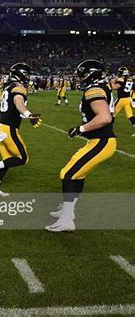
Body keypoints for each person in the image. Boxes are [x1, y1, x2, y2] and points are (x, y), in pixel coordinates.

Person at [46, 60, 117, 232]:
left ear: (89, 74)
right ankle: (68, 212)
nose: (79, 79)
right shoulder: (102, 86)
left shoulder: (94, 90)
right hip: (98, 140)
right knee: (77, 174)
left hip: (102, 141)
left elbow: (105, 117)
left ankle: (67, 220)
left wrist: (80, 129)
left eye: (81, 75)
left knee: (68, 174)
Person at [0, 63, 42, 197]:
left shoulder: (8, 86)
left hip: (1, 126)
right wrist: (29, 115)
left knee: (8, 160)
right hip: (8, 128)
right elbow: (18, 102)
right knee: (23, 158)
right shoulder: (18, 88)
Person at [111, 67, 134, 136]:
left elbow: (115, 87)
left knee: (112, 113)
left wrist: (112, 82)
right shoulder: (130, 79)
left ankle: (108, 129)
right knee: (130, 115)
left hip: (121, 99)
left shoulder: (121, 79)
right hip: (128, 99)